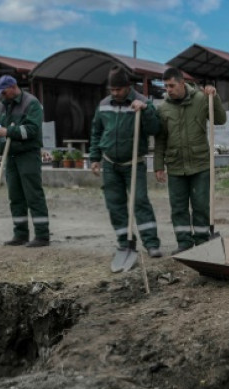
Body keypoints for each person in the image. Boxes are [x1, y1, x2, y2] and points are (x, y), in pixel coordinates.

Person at [89, 67, 163, 258]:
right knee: (114, 204)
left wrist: (145, 110)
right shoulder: (104, 105)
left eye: (118, 90)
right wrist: (95, 158)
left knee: (139, 202)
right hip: (110, 163)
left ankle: (151, 243)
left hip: (133, 162)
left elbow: (155, 128)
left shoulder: (143, 102)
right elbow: (96, 132)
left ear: (128, 87)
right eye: (112, 90)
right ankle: (125, 242)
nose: (115, 93)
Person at [153, 68, 226, 254]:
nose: (168, 90)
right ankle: (184, 242)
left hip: (200, 164)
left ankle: (202, 241)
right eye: (166, 86)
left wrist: (214, 97)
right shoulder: (163, 108)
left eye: (172, 85)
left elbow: (220, 119)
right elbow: (160, 139)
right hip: (176, 165)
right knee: (178, 207)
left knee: (201, 205)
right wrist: (158, 166)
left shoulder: (201, 100)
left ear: (182, 83)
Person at [0, 75, 50, 247]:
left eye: (4, 92)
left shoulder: (32, 103)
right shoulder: (3, 104)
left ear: (13, 87)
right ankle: (20, 234)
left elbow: (32, 130)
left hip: (28, 155)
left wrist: (9, 132)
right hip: (11, 156)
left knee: (33, 195)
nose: (2, 96)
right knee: (15, 196)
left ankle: (42, 236)